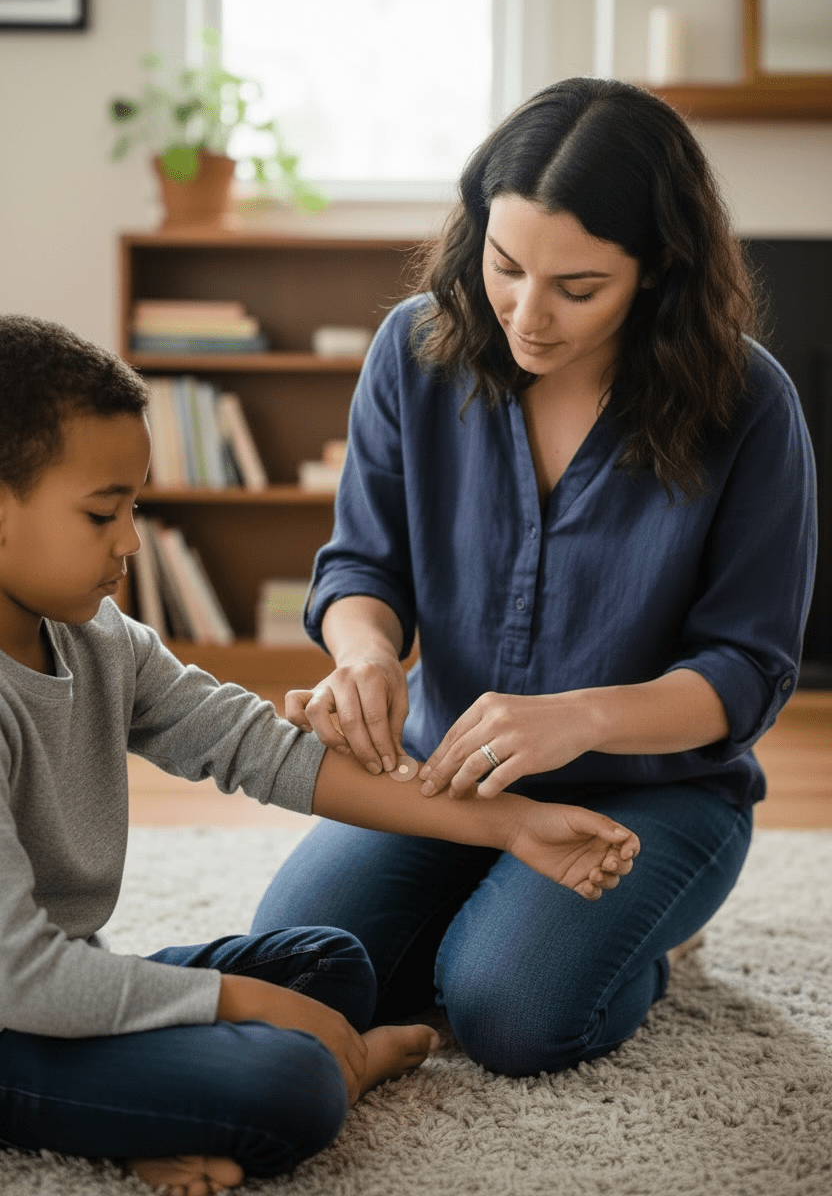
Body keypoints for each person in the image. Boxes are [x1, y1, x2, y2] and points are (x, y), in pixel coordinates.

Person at [0, 312, 640, 1196]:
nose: (131, 544)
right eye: (103, 512)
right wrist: (254, 1007)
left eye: (135, 507)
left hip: (68, 988)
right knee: (289, 1076)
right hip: (12, 1008)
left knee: (329, 964)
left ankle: (156, 1116)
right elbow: (22, 979)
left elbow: (259, 749)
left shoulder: (101, 639)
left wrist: (511, 822)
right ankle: (262, 1090)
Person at [259, 77, 818, 1078]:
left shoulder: (750, 406)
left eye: (577, 287)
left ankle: (640, 937)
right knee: (297, 969)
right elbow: (361, 565)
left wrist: (580, 717)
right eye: (505, 266)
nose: (525, 314)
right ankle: (504, 915)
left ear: (655, 273)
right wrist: (366, 656)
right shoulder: (413, 349)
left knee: (511, 1014)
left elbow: (746, 669)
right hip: (447, 776)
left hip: (656, 795)